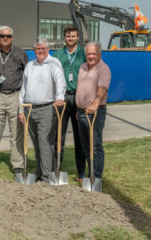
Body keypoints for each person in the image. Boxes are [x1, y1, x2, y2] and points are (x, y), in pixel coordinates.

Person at [19, 37, 65, 183]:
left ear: (48, 49)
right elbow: (23, 88)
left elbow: (60, 82)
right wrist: (21, 109)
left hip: (47, 108)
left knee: (45, 141)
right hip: (29, 108)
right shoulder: (30, 65)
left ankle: (47, 175)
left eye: (43, 48)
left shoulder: (53, 63)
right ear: (34, 50)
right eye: (38, 48)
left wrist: (59, 97)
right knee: (36, 142)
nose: (41, 51)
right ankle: (39, 171)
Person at [0, 25, 29, 174]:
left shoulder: (20, 53)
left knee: (17, 131)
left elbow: (26, 73)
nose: (5, 38)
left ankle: (17, 164)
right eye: (2, 36)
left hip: (15, 95)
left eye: (8, 36)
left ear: (12, 38)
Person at [52, 25, 86, 184]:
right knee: (59, 135)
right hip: (62, 98)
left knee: (80, 137)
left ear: (77, 37)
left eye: (73, 36)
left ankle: (81, 172)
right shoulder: (57, 55)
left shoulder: (84, 54)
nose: (70, 38)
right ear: (64, 37)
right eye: (68, 36)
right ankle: (56, 170)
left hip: (78, 97)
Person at [76, 42, 111, 192]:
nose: (90, 56)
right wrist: (79, 109)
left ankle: (96, 177)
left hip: (95, 113)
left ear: (99, 55)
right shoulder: (83, 67)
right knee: (85, 146)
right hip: (81, 112)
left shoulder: (104, 69)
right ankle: (90, 174)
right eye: (88, 53)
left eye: (93, 54)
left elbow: (103, 88)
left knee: (95, 146)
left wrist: (96, 102)